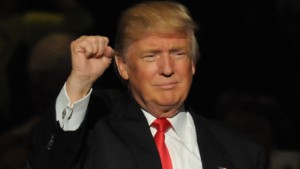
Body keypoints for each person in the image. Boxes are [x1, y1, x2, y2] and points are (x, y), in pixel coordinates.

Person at [27, 1, 269, 169]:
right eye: (151, 56)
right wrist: (80, 82)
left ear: (193, 63)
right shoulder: (93, 132)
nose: (167, 68)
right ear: (122, 66)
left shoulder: (243, 153)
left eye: (178, 53)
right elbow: (47, 162)